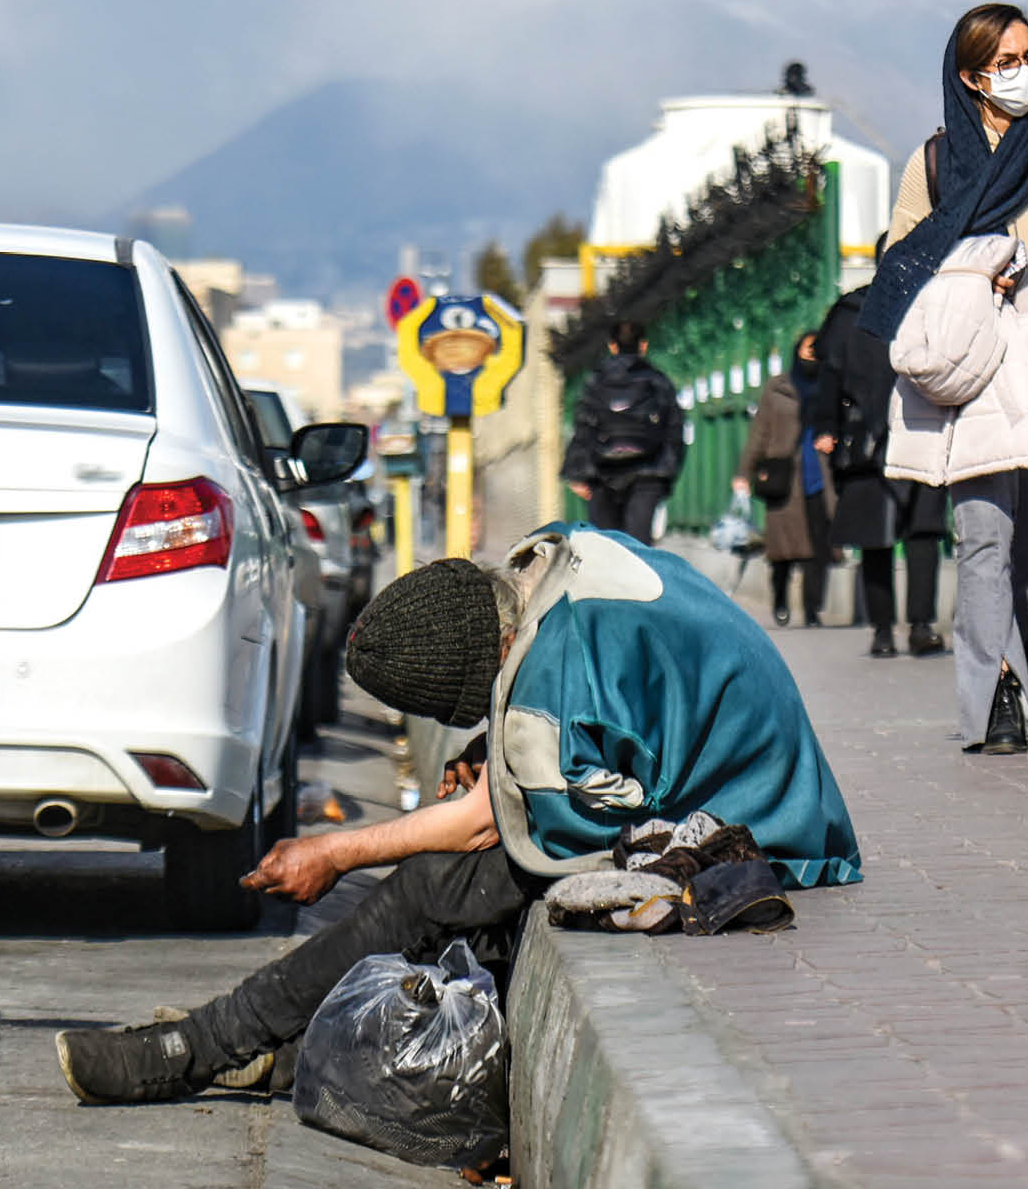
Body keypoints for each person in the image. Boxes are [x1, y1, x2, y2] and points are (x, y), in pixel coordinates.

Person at [56, 529, 863, 1104]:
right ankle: (288, 1042)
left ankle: (199, 1049)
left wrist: (339, 851)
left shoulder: (546, 697)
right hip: (794, 793)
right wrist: (493, 737)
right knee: (469, 891)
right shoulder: (557, 556)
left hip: (772, 831)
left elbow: (485, 824)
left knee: (437, 883)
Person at [870, 1, 1028, 750]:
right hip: (977, 382)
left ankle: (1016, 678)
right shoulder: (934, 162)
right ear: (970, 77)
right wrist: (969, 275)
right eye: (1006, 63)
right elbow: (900, 266)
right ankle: (993, 702)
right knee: (984, 542)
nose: (1024, 73)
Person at [809, 264, 949, 658]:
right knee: (919, 532)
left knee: (884, 537)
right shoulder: (930, 304)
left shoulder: (850, 312)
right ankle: (917, 627)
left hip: (868, 440)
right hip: (922, 431)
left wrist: (826, 426)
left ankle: (885, 631)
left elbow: (829, 377)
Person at [739, 330, 833, 626]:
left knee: (819, 546)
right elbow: (760, 431)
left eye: (817, 349)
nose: (812, 355)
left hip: (820, 474)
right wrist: (744, 471)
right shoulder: (777, 388)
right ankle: (780, 596)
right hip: (785, 476)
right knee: (782, 549)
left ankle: (813, 608)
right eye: (808, 349)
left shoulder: (831, 384)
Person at [561, 320, 683, 539]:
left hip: (602, 472)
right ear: (643, 345)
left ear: (612, 345)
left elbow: (583, 428)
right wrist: (667, 474)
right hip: (649, 472)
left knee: (607, 545)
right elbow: (674, 428)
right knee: (639, 547)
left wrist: (576, 473)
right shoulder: (658, 380)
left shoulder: (595, 381)